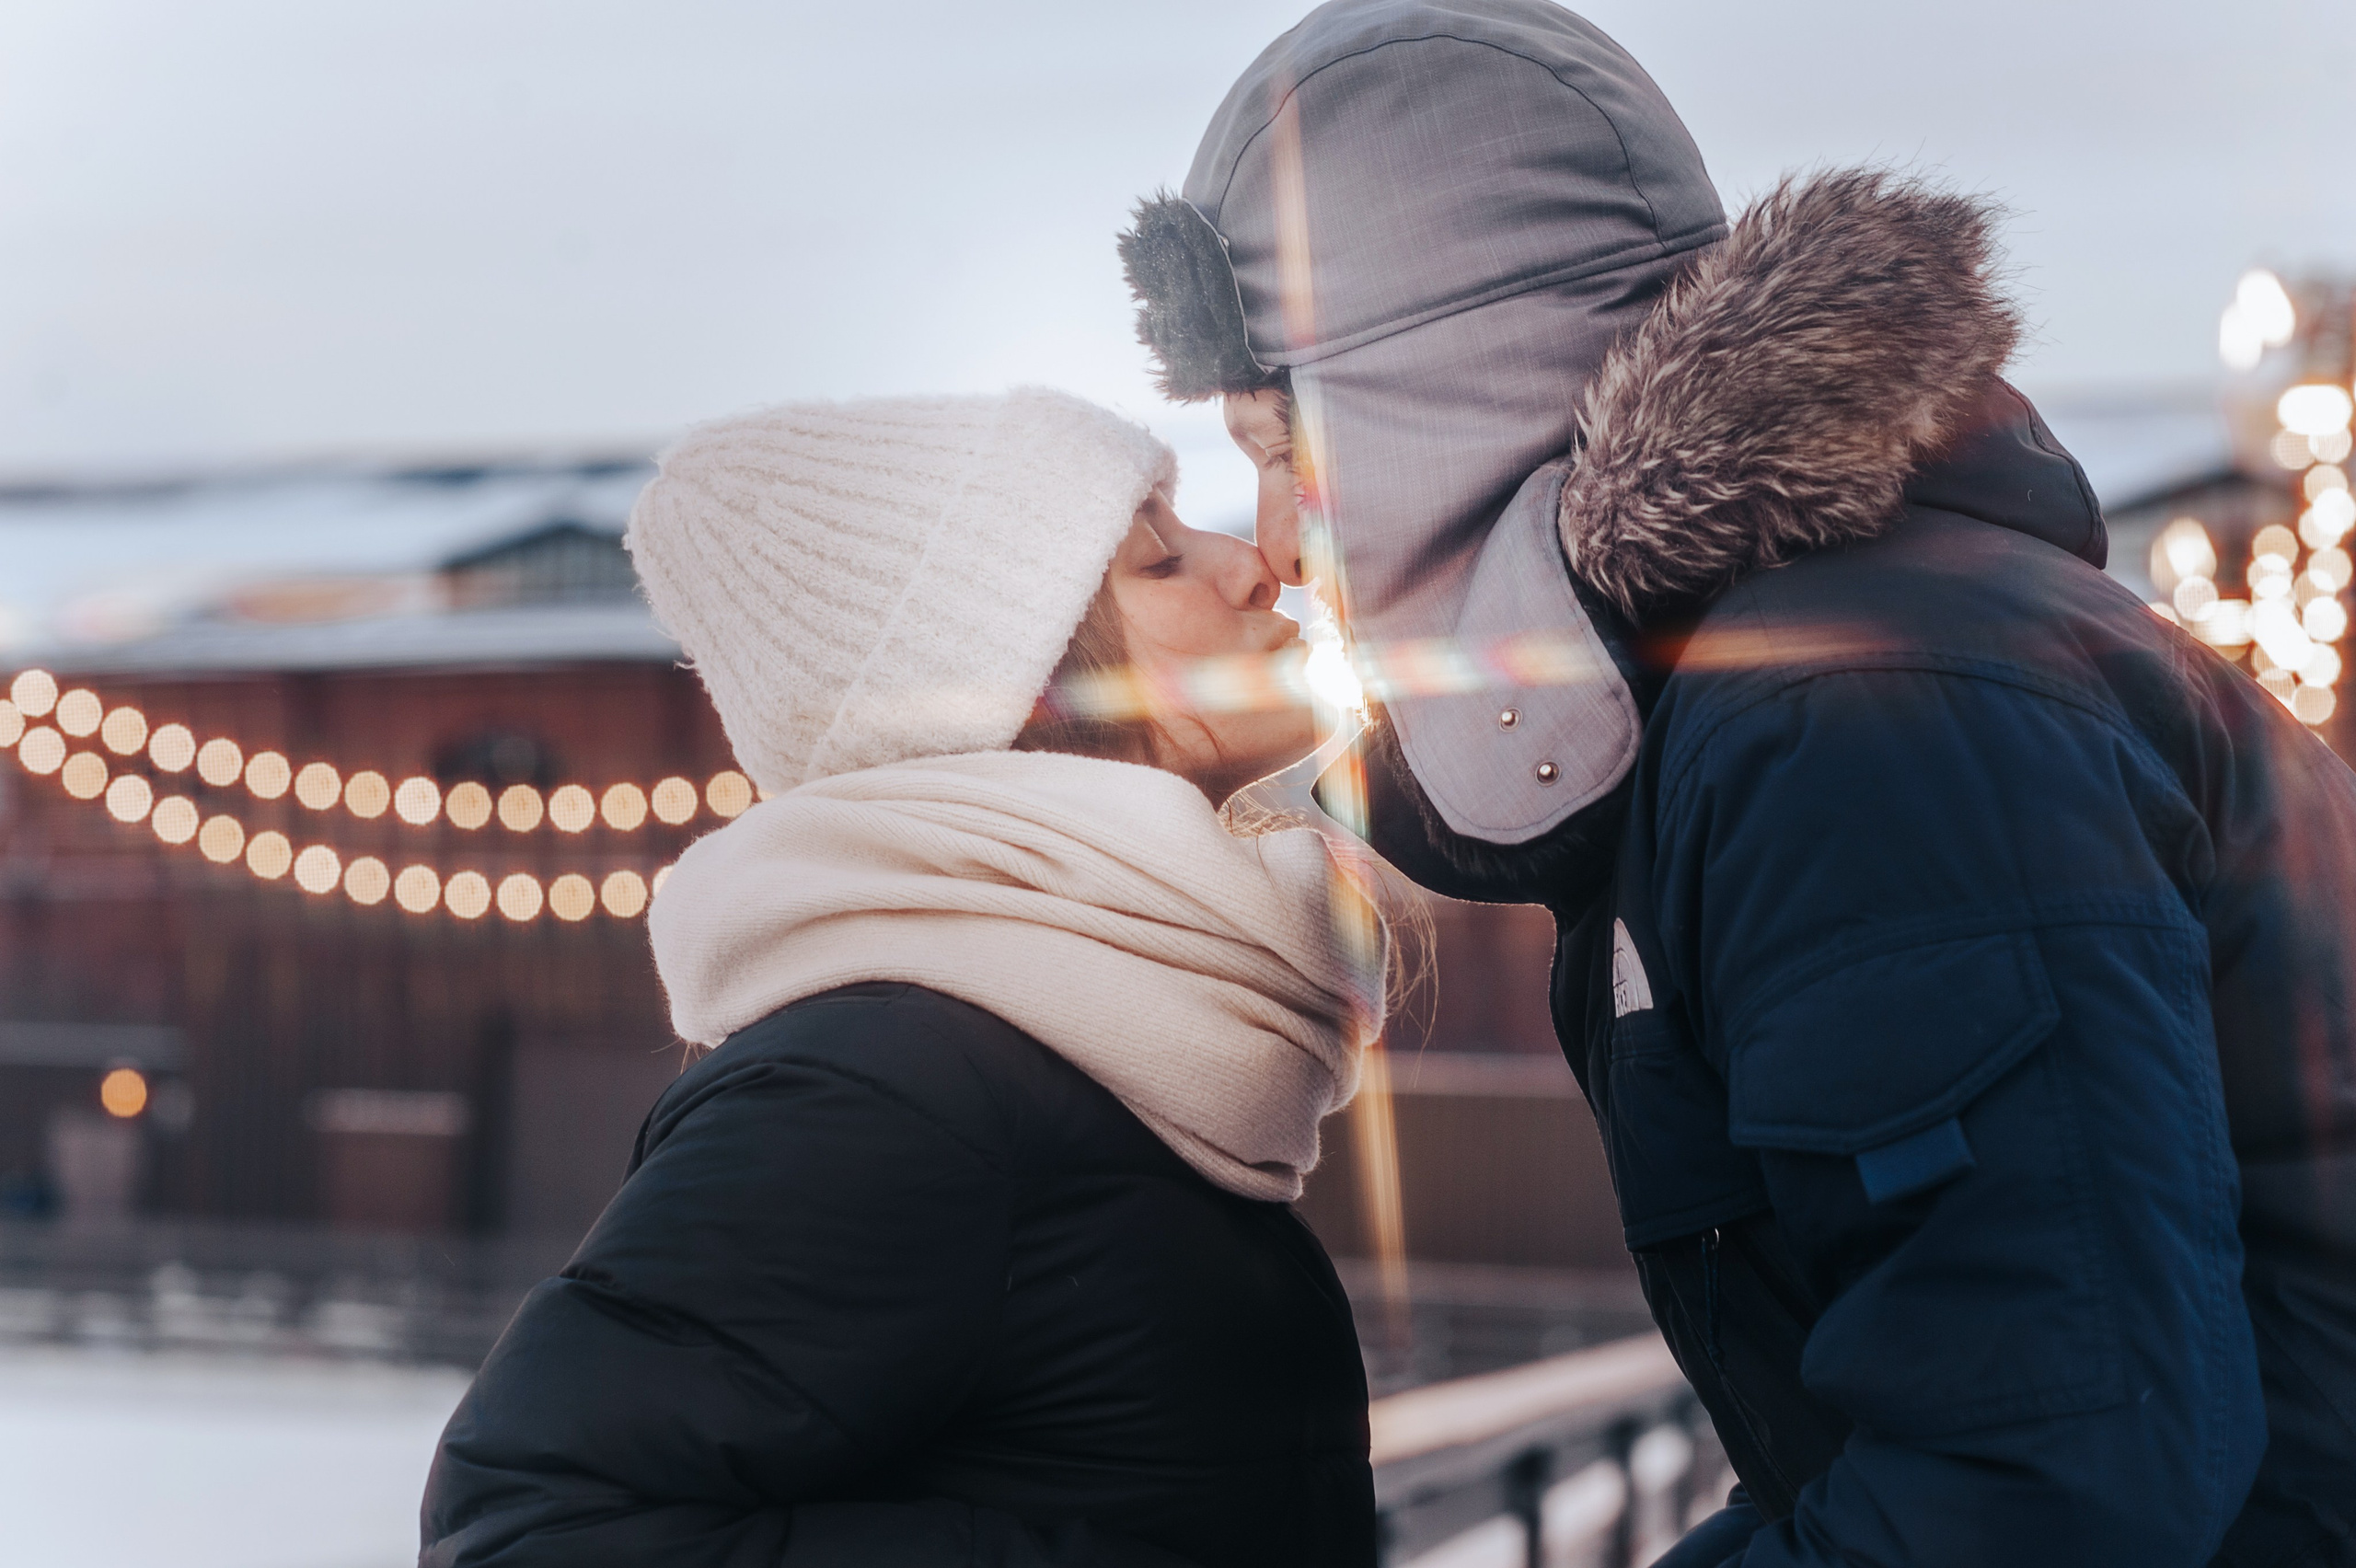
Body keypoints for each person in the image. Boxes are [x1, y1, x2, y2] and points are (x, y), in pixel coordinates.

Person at [1121, 2, 2356, 1564]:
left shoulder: (1850, 721)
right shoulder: (1767, 695)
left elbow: (2045, 1479)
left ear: (1445, 397)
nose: (1282, 547)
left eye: (1286, 450)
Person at [418, 389, 1389, 1568]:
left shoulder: (1117, 1040)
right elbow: (534, 1533)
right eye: (1158, 560)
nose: (1250, 568)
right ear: (1024, 690)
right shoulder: (885, 1087)